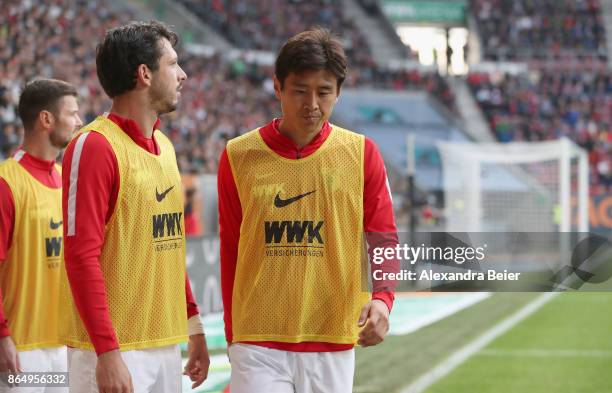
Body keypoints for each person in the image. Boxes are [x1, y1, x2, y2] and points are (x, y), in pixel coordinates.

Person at [218, 28, 399, 393]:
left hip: (331, 335)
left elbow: (383, 237)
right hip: (258, 339)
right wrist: (232, 333)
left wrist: (382, 298)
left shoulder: (362, 154)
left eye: (324, 92)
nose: (311, 103)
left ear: (339, 92)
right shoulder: (238, 155)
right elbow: (231, 249)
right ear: (277, 87)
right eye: (300, 90)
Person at [60, 21, 209, 393]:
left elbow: (171, 247)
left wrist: (194, 327)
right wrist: (107, 353)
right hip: (115, 351)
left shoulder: (166, 147)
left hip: (164, 345)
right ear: (144, 74)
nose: (183, 75)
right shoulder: (93, 146)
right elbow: (81, 257)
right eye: (173, 64)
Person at [0, 78, 82, 391]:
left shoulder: (66, 180)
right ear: (46, 119)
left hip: (62, 344)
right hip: (22, 349)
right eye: (72, 113)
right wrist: (2, 337)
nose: (78, 121)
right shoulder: (7, 183)